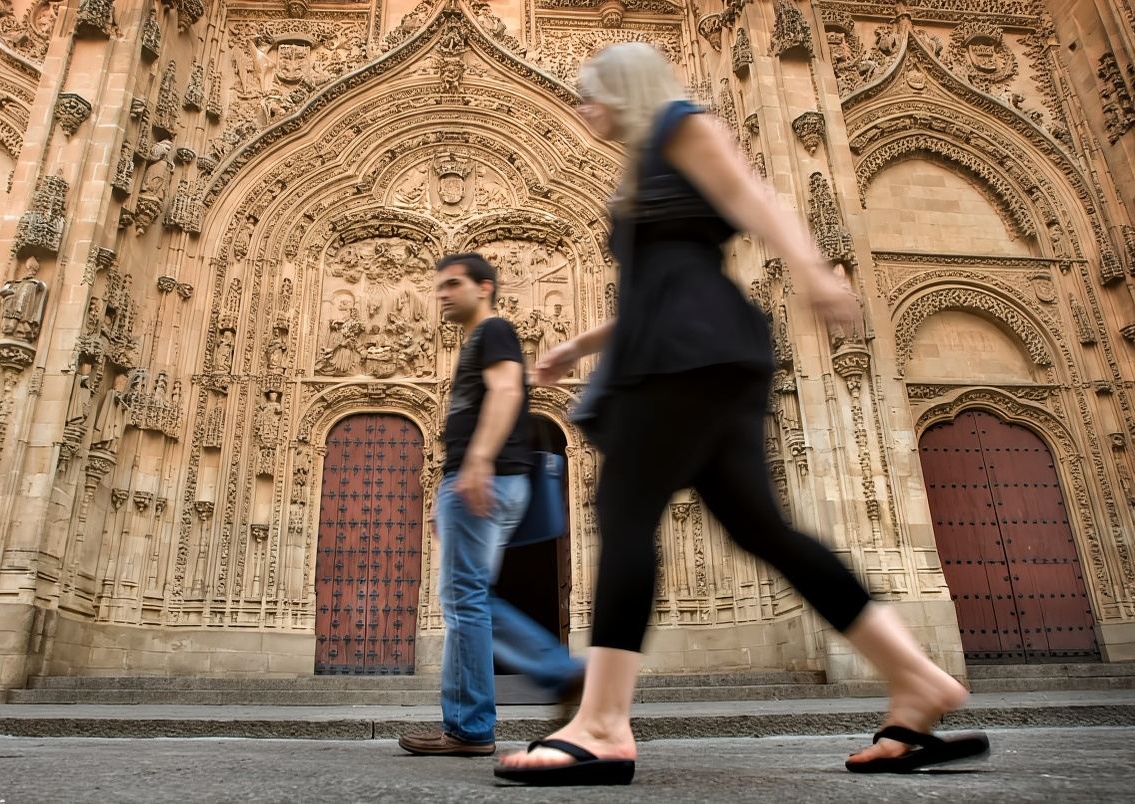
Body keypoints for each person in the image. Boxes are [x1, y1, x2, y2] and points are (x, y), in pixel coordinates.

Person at [495, 43, 988, 786]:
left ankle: (600, 724)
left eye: (589, 93)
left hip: (690, 355)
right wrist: (579, 344)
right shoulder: (649, 163)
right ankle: (917, 682)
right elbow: (661, 283)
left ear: (625, 90)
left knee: (626, 515)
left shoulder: (683, 126)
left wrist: (816, 270)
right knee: (763, 529)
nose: (580, 108)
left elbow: (758, 199)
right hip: (698, 348)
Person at [397, 253, 584, 757]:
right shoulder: (481, 339)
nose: (442, 293)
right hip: (479, 480)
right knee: (469, 599)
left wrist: (476, 463)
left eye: (452, 284)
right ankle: (480, 717)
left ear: (484, 288)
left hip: (488, 478)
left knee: (465, 599)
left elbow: (505, 390)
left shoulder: (496, 330)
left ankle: (485, 717)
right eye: (439, 285)